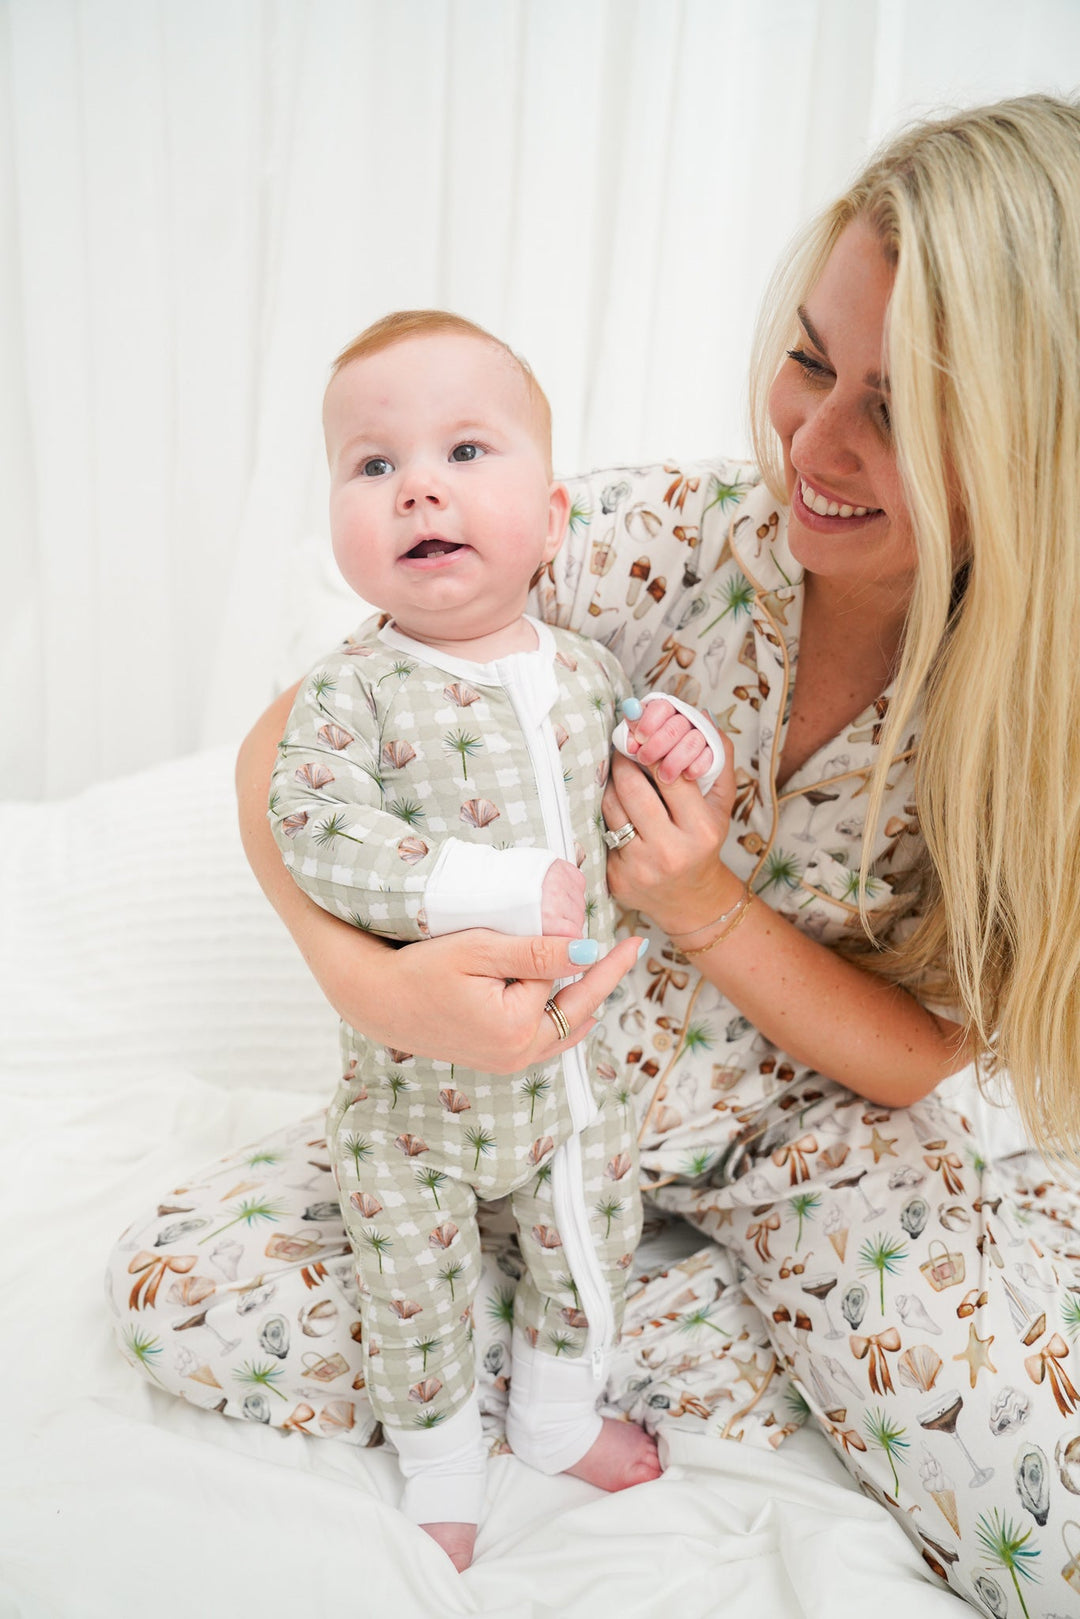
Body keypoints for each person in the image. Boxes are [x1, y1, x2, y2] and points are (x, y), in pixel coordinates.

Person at [107, 96, 1080, 1614]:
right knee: (181, 1296)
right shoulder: (653, 546)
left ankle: (671, 1318)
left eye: (896, 408)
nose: (813, 441)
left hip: (808, 1147)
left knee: (1039, 1494)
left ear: (1030, 444)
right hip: (519, 1114)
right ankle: (638, 1323)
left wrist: (701, 901)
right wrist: (373, 991)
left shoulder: (1031, 716)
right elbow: (281, 755)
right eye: (812, 359)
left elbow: (908, 1063)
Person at [263, 309, 727, 1569]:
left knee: (588, 1240)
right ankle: (441, 1461)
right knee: (407, 1277)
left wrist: (691, 740)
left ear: (555, 516)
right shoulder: (352, 687)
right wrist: (469, 883)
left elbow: (651, 751)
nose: (417, 483)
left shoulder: (583, 670)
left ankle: (560, 1412)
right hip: (413, 1097)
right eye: (373, 465)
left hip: (577, 1083)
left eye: (466, 450)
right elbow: (304, 818)